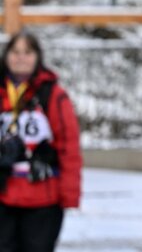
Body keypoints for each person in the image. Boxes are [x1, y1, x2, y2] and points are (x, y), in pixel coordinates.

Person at [0, 30, 82, 252]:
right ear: (6, 56)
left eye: (27, 52)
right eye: (15, 52)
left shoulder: (53, 95)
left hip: (42, 197)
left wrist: (70, 193)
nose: (21, 58)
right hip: (4, 193)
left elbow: (69, 146)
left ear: (37, 57)